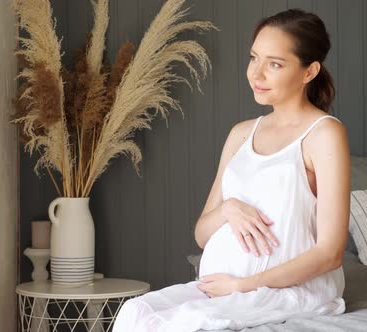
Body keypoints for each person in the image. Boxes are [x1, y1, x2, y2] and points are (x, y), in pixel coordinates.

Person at [111, 8, 351, 332]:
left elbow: (330, 253)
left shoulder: (323, 134)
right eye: (254, 58)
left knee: (184, 324)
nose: (257, 73)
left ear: (309, 71)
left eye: (275, 64)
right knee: (134, 312)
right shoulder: (241, 133)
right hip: (221, 287)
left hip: (284, 291)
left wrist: (245, 285)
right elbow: (201, 234)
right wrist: (229, 209)